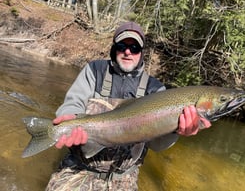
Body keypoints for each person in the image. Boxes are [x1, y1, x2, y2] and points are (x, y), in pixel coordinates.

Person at [46, 21, 211, 191]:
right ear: (114, 48)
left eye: (134, 48)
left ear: (141, 52)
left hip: (123, 177)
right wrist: (70, 117)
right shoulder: (94, 70)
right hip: (79, 168)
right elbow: (73, 103)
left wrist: (176, 131)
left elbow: (156, 145)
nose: (127, 52)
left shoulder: (155, 89)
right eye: (121, 45)